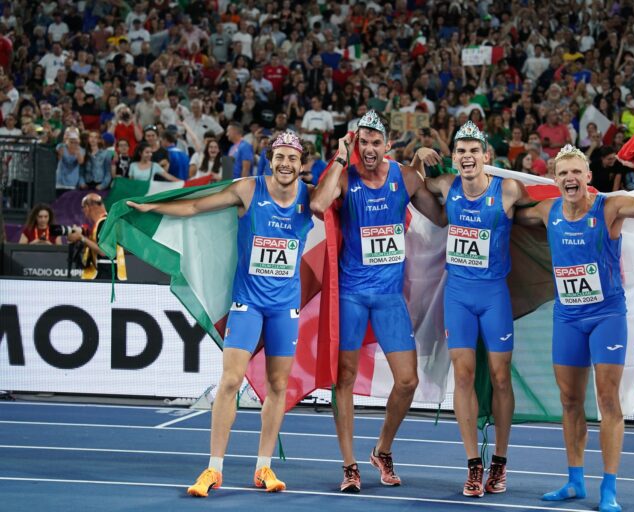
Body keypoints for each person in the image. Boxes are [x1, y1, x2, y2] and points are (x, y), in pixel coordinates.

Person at [127, 131, 314, 496]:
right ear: (270, 159)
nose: (285, 163)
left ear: (301, 163)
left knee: (278, 386)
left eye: (292, 158)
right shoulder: (248, 189)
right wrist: (154, 208)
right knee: (230, 382)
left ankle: (264, 468)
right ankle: (214, 469)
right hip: (248, 303)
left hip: (284, 308)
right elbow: (196, 206)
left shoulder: (311, 197)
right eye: (279, 156)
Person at [515, 144, 634, 512]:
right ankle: (574, 480)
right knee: (569, 401)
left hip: (606, 317)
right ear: (554, 180)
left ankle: (609, 489)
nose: (570, 178)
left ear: (588, 177)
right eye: (563, 173)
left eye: (576, 172)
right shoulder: (546, 211)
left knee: (607, 401)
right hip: (567, 318)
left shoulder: (610, 208)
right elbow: (505, 211)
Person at [309, 110, 443, 493]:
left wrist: (439, 169)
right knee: (344, 379)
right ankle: (350, 465)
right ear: (356, 144)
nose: (368, 149)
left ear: (387, 146)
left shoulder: (403, 176)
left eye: (375, 143)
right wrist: (339, 156)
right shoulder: (346, 177)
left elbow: (441, 216)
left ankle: (382, 450)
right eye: (362, 142)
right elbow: (319, 205)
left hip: (388, 297)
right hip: (352, 294)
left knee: (407, 380)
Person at [423, 121, 530, 497]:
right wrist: (422, 157)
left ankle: (499, 461)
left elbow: (548, 206)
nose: (467, 156)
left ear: (487, 156)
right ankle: (472, 465)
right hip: (458, 297)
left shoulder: (509, 191)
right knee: (463, 376)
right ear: (454, 158)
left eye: (473, 150)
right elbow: (418, 180)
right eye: (460, 151)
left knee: (501, 377)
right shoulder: (446, 186)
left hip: (493, 297)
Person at [67, 194, 126, 280]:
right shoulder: (101, 223)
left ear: (90, 206)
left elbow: (104, 252)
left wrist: (82, 238)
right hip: (102, 272)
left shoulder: (105, 223)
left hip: (106, 273)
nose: (83, 210)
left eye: (83, 207)